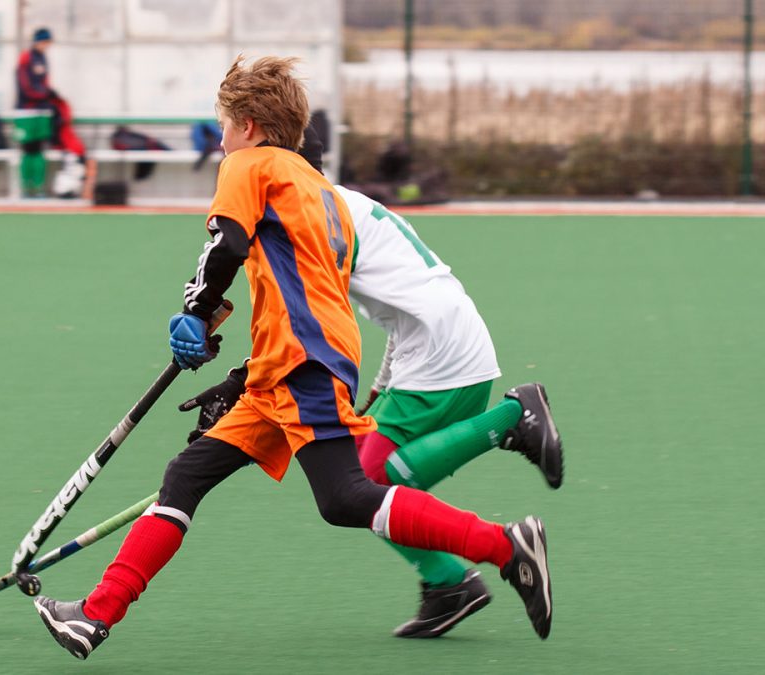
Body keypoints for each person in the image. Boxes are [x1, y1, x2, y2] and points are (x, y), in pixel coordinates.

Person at [32, 56, 553, 660]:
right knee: (187, 475)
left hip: (302, 365)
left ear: (249, 125)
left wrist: (196, 314)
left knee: (345, 497)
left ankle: (506, 546)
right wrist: (243, 376)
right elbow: (296, 292)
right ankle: (94, 616)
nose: (221, 138)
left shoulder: (246, 164)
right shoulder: (320, 191)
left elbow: (224, 244)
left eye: (224, 125)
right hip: (292, 366)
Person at [176, 126, 564, 639]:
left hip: (437, 353)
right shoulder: (347, 205)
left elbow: (308, 328)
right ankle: (449, 582)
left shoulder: (314, 216)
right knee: (372, 479)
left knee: (368, 482)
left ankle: (512, 424)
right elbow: (370, 314)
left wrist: (242, 378)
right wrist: (375, 391)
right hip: (439, 339)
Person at [14, 27, 87, 197]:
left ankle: (38, 188)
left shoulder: (43, 58)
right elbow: (26, 87)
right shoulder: (26, 58)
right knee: (28, 150)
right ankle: (26, 188)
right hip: (26, 111)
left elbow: (44, 84)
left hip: (40, 112)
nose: (47, 46)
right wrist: (44, 94)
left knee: (38, 149)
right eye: (45, 42)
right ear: (39, 41)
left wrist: (50, 95)